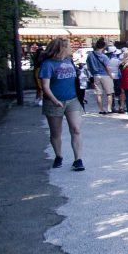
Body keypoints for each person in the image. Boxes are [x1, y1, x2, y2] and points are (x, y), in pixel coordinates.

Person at [38, 38, 85, 171]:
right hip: (53, 102)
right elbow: (45, 86)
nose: (72, 48)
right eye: (69, 46)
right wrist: (54, 100)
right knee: (56, 132)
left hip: (72, 99)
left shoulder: (69, 61)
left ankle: (78, 159)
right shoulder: (48, 64)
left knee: (76, 129)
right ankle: (59, 156)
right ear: (62, 48)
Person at [86, 37, 114, 115]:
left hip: (95, 75)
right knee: (109, 93)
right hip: (105, 75)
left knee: (99, 94)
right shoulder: (104, 56)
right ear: (103, 47)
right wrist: (111, 75)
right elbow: (108, 67)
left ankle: (101, 109)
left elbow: (88, 66)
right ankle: (109, 109)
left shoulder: (90, 55)